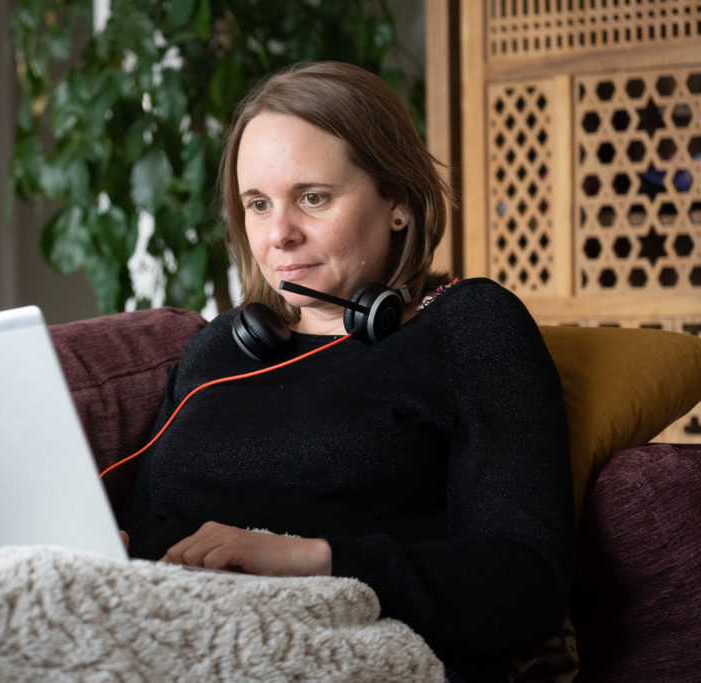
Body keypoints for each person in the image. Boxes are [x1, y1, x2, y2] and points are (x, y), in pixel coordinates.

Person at [118, 61, 575, 681]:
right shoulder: (221, 350)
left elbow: (528, 580)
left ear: (399, 204)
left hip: (343, 646)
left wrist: (307, 559)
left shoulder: (468, 327)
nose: (278, 234)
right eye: (257, 204)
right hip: (153, 626)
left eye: (312, 197)